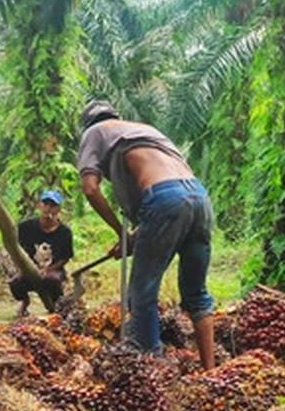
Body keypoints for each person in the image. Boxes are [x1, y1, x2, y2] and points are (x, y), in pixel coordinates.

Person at [76, 99, 216, 369]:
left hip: (164, 198)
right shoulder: (143, 130)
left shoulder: (94, 132)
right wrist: (134, 237)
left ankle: (154, 371)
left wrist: (121, 232)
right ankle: (210, 371)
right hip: (199, 197)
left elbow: (90, 188)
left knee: (141, 292)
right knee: (196, 292)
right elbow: (174, 193)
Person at [8, 190, 75, 316]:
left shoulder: (64, 232)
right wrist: (22, 266)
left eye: (53, 205)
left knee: (52, 280)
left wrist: (49, 269)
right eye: (45, 204)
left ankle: (55, 304)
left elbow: (66, 257)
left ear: (58, 209)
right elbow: (16, 247)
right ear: (39, 206)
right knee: (14, 282)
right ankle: (24, 302)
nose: (48, 209)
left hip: (53, 270)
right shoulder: (25, 227)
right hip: (28, 267)